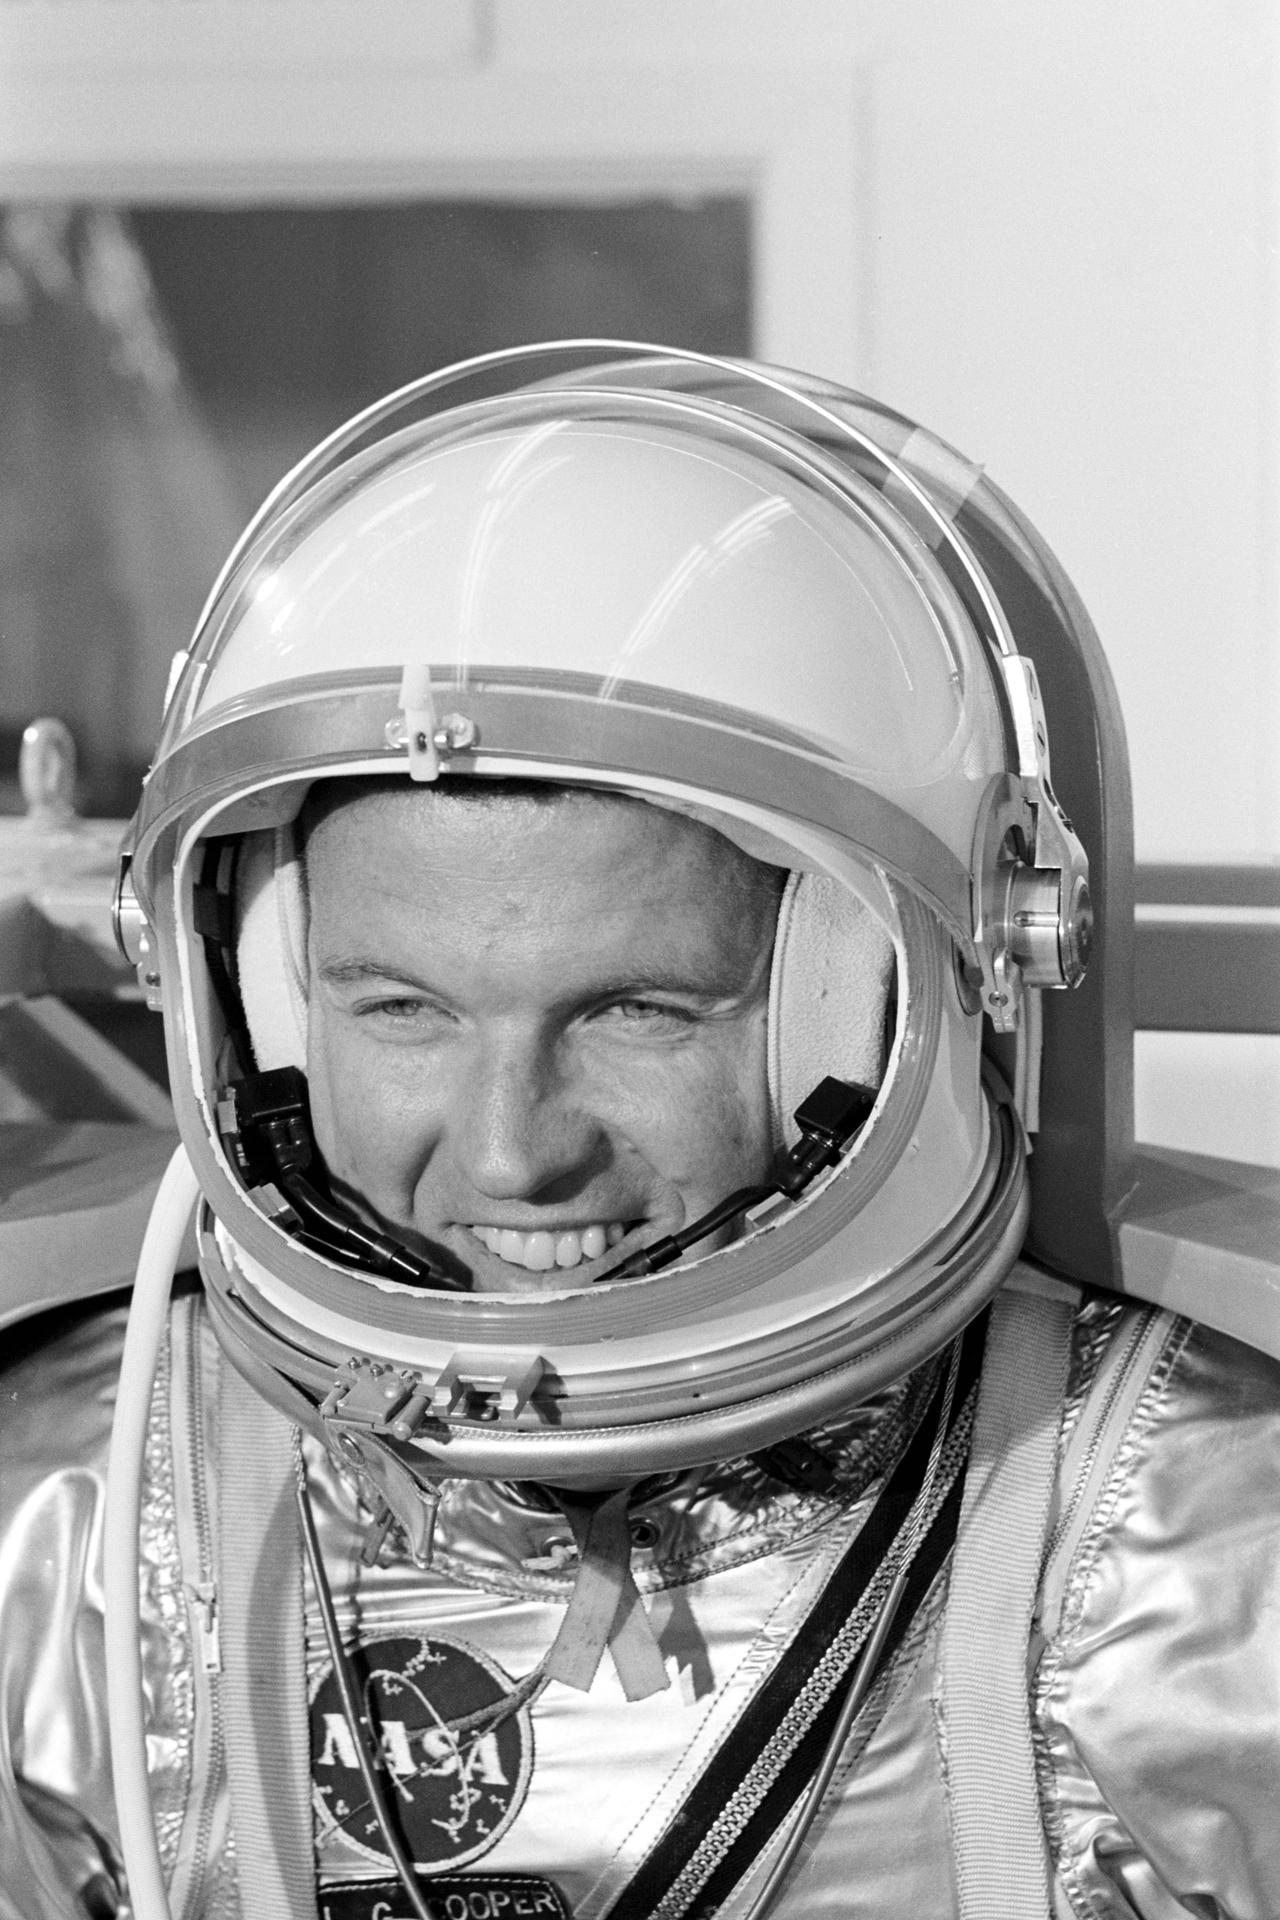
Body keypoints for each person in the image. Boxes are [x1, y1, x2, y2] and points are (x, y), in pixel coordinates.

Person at [2, 343, 1278, 1920]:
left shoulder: (1199, 1552)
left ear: (867, 1003)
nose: (510, 1153)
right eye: (400, 1009)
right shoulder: (70, 1520)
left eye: (636, 1013)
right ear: (256, 996)